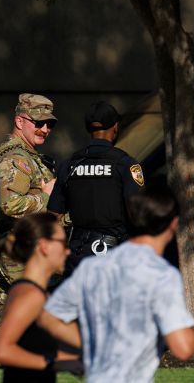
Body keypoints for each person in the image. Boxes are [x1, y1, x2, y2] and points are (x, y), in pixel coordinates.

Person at [39, 186, 194, 381]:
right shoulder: (161, 275)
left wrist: (91, 343)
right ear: (174, 223)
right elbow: (183, 348)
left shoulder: (92, 267)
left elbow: (48, 316)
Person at [0, 93, 59, 370]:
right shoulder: (17, 159)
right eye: (38, 123)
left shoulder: (24, 155)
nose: (45, 129)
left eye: (49, 124)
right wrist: (47, 196)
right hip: (19, 252)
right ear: (20, 121)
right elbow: (11, 206)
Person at [48, 101, 144, 276]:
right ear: (115, 127)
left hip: (77, 255)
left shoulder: (69, 165)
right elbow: (137, 213)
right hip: (114, 256)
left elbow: (53, 216)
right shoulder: (125, 164)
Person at [0, 213, 75, 381]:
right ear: (44, 246)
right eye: (63, 243)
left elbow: (66, 335)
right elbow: (1, 351)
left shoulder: (33, 293)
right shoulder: (30, 296)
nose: (68, 251)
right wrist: (52, 362)